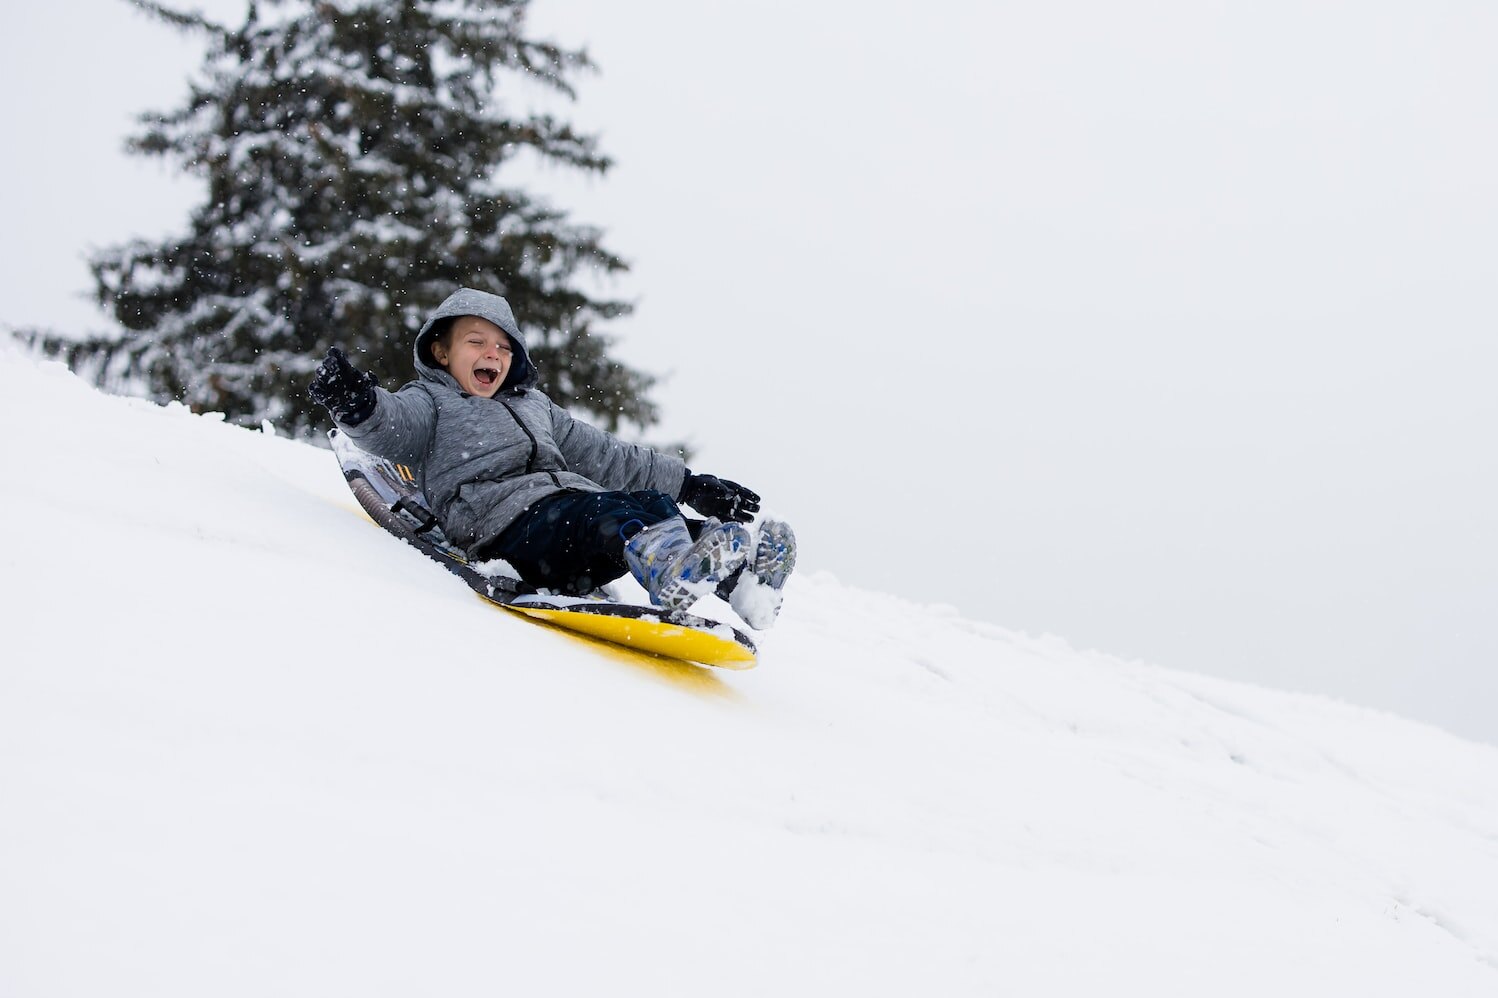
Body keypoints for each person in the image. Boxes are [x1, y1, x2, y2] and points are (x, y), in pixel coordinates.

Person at [308, 287, 794, 628]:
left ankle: (743, 582)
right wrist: (358, 404)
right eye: (475, 342)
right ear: (440, 352)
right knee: (611, 514)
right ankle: (671, 570)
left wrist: (688, 485)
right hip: (503, 527)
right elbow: (390, 428)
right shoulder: (431, 401)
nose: (491, 355)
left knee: (644, 505)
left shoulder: (534, 406)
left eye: (502, 346)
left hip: (569, 527)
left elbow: (607, 455)